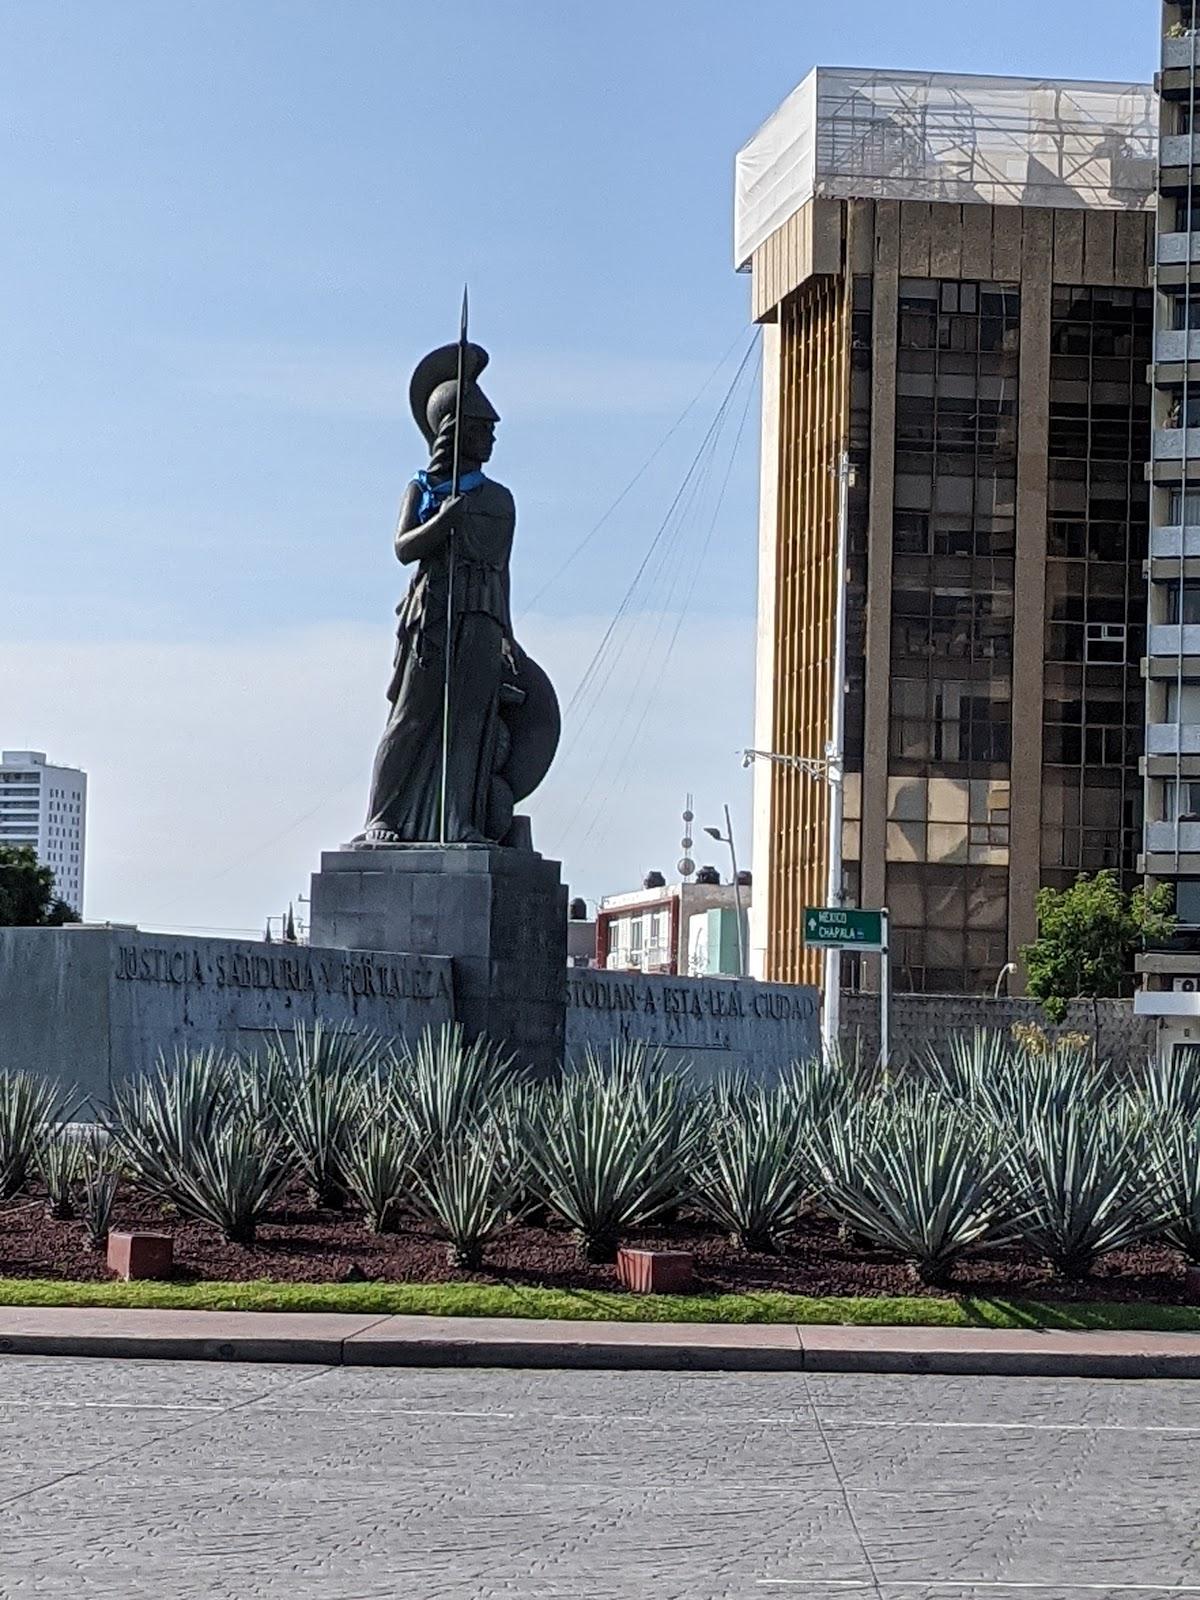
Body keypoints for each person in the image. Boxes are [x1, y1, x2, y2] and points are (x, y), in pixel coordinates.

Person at [360, 343, 518, 844]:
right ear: (456, 430)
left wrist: (508, 638)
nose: (491, 438)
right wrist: (442, 521)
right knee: (412, 717)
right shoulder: (423, 488)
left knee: (470, 723)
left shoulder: (498, 498)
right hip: (432, 615)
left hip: (482, 613)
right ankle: (380, 817)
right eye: (483, 429)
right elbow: (404, 549)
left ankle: (459, 822)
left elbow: (502, 569)